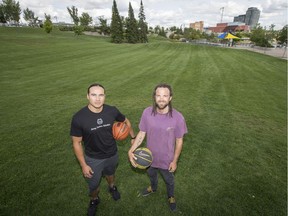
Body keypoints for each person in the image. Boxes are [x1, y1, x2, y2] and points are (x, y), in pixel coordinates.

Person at [70, 83, 136, 216]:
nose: (97, 98)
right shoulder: (79, 118)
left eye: (101, 95)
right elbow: (76, 143)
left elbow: (126, 121)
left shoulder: (111, 110)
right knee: (93, 185)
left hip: (112, 153)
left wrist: (133, 137)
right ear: (87, 96)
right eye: (93, 95)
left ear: (105, 96)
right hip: (93, 159)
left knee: (110, 173)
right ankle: (94, 199)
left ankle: (112, 187)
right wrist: (83, 165)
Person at [128, 83, 187, 212]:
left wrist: (175, 161)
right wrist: (131, 150)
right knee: (152, 175)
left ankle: (171, 196)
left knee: (169, 180)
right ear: (154, 97)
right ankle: (153, 188)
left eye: (165, 95)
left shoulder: (178, 117)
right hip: (149, 158)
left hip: (167, 159)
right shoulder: (147, 113)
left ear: (170, 98)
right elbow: (142, 133)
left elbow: (179, 140)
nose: (161, 99)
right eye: (158, 95)